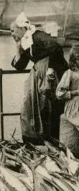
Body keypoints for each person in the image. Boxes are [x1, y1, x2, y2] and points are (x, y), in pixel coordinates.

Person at [11, 12, 69, 144]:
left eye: (13, 31)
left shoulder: (37, 36)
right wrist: (17, 48)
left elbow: (56, 48)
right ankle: (36, 140)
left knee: (50, 107)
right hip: (39, 76)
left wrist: (50, 69)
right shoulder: (25, 41)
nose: (12, 34)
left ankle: (53, 141)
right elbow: (20, 66)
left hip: (52, 75)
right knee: (32, 107)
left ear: (22, 28)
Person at [56, 44, 79, 156]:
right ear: (73, 59)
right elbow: (59, 94)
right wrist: (76, 92)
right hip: (74, 106)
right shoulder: (70, 73)